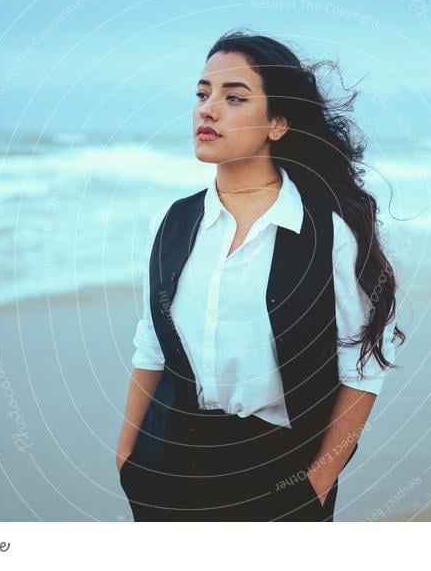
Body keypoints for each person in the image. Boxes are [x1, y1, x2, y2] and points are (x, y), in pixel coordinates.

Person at [115, 29, 405, 522]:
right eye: (203, 94)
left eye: (234, 98)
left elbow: (362, 365)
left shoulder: (325, 231)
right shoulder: (172, 222)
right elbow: (152, 346)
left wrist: (316, 484)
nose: (207, 110)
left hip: (278, 474)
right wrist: (126, 459)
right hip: (165, 468)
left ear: (277, 123)